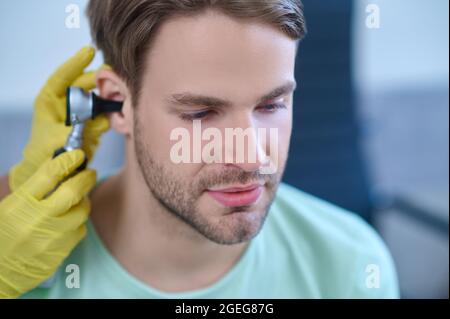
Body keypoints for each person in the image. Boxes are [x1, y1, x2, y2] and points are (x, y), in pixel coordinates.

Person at [4, 0, 399, 298]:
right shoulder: (27, 265)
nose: (250, 158)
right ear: (118, 103)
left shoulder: (351, 267)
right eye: (201, 113)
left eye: (271, 105)